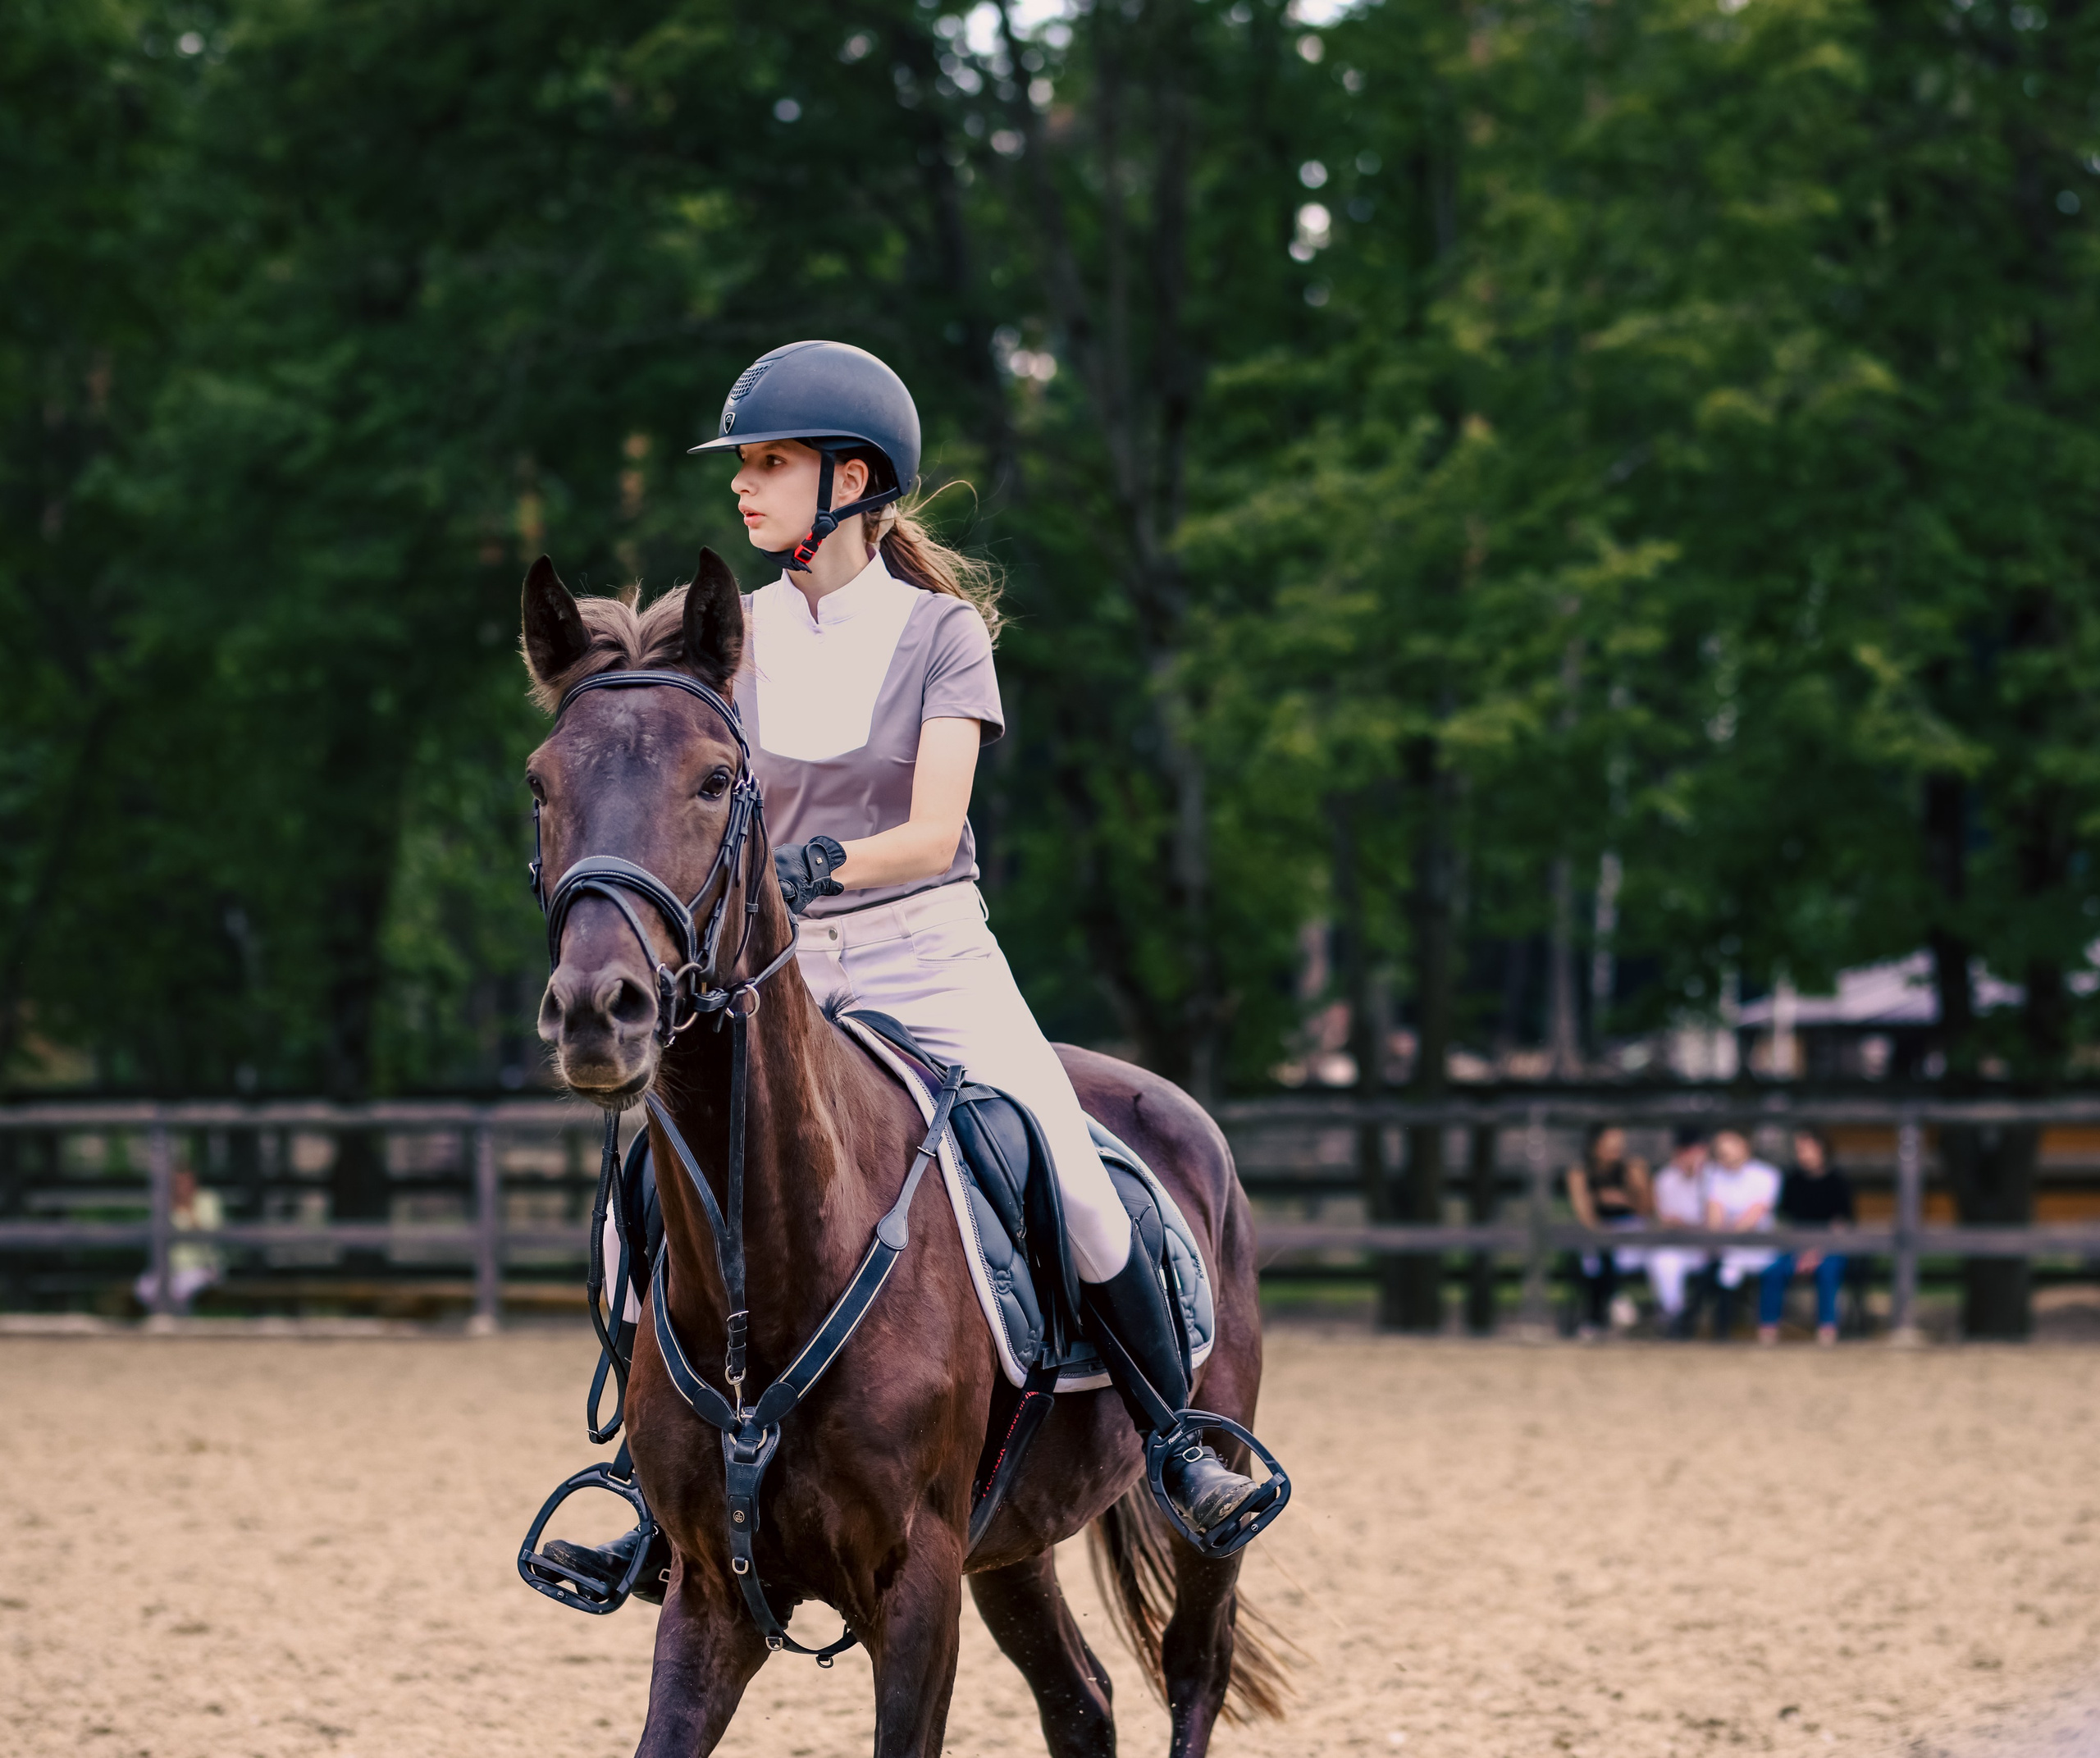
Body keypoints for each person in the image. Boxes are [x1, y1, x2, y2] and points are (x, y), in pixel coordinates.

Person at [697, 341, 1271, 1545]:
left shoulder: (940, 632)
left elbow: (932, 828)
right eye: (742, 465)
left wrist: (809, 867)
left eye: (770, 462)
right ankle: (642, 1487)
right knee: (638, 1200)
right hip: (781, 975)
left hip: (925, 955)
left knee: (1080, 1179)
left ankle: (1178, 1445)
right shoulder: (730, 637)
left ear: (852, 477)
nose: (744, 486)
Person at [1756, 1128, 1856, 1346]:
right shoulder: (1792, 1181)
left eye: (1807, 1149)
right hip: (1795, 1246)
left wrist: (1817, 1251)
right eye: (1799, 1150)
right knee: (1773, 1271)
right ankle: (1768, 1329)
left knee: (1828, 1271)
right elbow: (1786, 1220)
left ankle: (1827, 1329)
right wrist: (1800, 1250)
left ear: (1822, 1149)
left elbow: (1841, 1224)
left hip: (1829, 1247)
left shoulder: (1838, 1181)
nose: (1803, 1155)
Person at [1565, 1125, 1650, 1336]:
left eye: (1619, 1145)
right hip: (1598, 1231)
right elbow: (1585, 1216)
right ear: (1595, 1146)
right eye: (1610, 1144)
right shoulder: (1581, 1172)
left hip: (1630, 1229)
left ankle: (1595, 1317)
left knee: (1607, 1252)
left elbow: (1646, 1210)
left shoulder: (1631, 1168)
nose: (1616, 1149)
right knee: (1596, 1253)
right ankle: (1613, 1301)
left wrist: (1629, 1195)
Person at [1705, 1129, 1781, 1340]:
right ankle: (1722, 1332)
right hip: (1727, 1247)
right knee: (1723, 1271)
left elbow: (1754, 1215)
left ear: (1744, 1148)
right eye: (1720, 1150)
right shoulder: (1713, 1175)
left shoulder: (1767, 1175)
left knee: (1763, 1270)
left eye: (1729, 1148)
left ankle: (1766, 1329)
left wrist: (1725, 1233)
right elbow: (1713, 1219)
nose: (1724, 1154)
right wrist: (1722, 1235)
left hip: (1760, 1247)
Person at [1646, 1125, 1713, 1338]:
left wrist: (1684, 1223)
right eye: (1685, 1151)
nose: (1691, 1157)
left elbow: (1714, 1222)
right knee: (1663, 1261)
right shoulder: (1665, 1179)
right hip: (1678, 1245)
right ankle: (1676, 1318)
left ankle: (1692, 1320)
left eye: (1695, 1151)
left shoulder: (1714, 1177)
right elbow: (1665, 1220)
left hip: (1710, 1247)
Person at [132, 1167, 224, 1315]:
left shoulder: (207, 1200)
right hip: (170, 1269)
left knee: (178, 1290)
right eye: (177, 1182)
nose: (181, 1186)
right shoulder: (165, 1204)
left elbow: (210, 1236)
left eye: (185, 1181)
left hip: (203, 1267)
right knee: (144, 1288)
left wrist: (189, 1209)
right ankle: (162, 1326)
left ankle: (181, 1330)